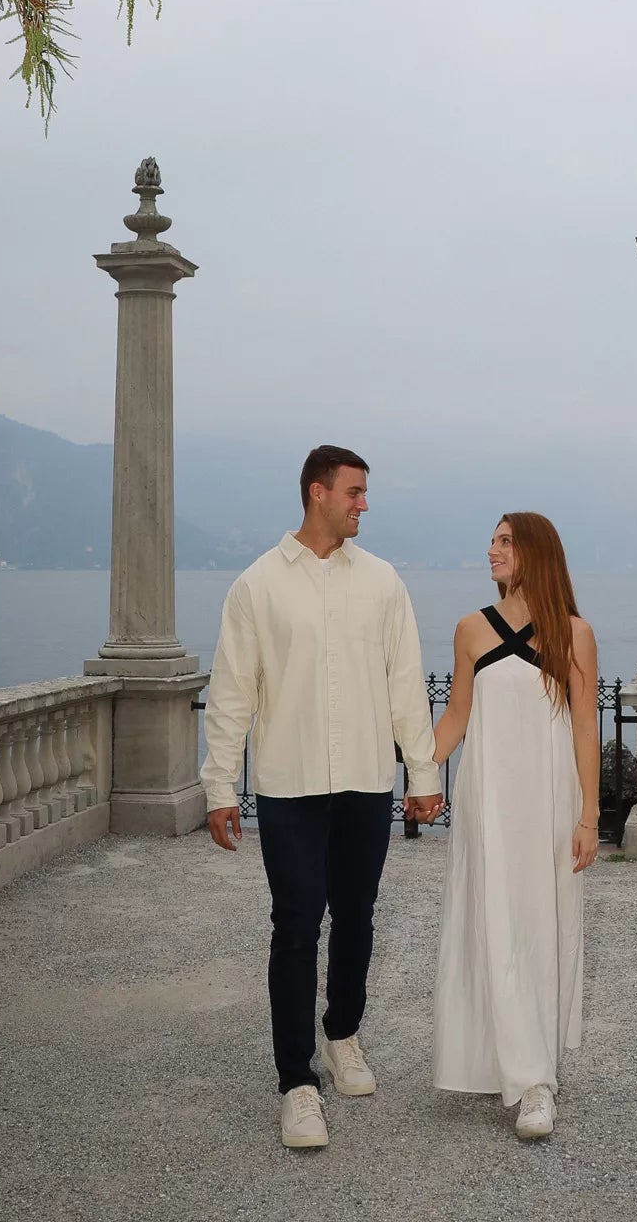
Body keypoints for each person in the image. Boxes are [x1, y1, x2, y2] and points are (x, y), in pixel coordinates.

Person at [200, 445, 443, 1150]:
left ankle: (342, 1036)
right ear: (317, 493)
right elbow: (232, 695)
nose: (363, 504)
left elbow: (404, 685)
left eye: (363, 493)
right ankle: (295, 1084)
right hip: (288, 785)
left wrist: (421, 776)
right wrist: (220, 786)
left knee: (358, 917)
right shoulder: (256, 586)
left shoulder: (382, 581)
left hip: (367, 780)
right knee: (296, 925)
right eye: (354, 492)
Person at [430, 511, 600, 1140]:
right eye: (492, 541)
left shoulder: (574, 635)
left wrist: (589, 817)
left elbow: (586, 727)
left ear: (535, 553)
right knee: (492, 920)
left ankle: (535, 1077)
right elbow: (456, 715)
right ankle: (517, 1070)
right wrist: (417, 767)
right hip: (488, 805)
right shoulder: (471, 629)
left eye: (505, 541)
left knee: (539, 924)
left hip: (549, 804)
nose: (492, 549)